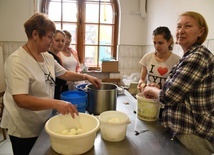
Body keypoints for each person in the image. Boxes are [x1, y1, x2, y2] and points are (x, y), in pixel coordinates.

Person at [0, 13, 100, 155]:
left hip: (42, 120)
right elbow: (21, 99)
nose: (52, 41)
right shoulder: (17, 61)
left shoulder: (46, 57)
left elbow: (64, 73)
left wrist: (85, 76)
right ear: (35, 34)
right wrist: (56, 103)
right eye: (49, 36)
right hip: (23, 126)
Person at [143, 11, 214, 155]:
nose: (181, 31)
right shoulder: (188, 56)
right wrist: (160, 87)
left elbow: (169, 96)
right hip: (182, 130)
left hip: (193, 133)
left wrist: (151, 91)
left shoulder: (197, 57)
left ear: (201, 31)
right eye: (179, 26)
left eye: (188, 26)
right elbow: (180, 89)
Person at [137, 26, 180, 119]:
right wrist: (142, 85)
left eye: (160, 43)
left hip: (166, 105)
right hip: (149, 102)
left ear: (169, 41)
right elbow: (142, 79)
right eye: (154, 43)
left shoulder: (177, 60)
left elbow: (177, 87)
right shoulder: (147, 57)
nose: (157, 46)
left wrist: (159, 88)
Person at [48, 30, 67, 100]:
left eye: (62, 41)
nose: (60, 43)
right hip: (51, 96)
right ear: (51, 41)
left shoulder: (56, 57)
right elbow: (60, 80)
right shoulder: (49, 57)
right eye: (57, 40)